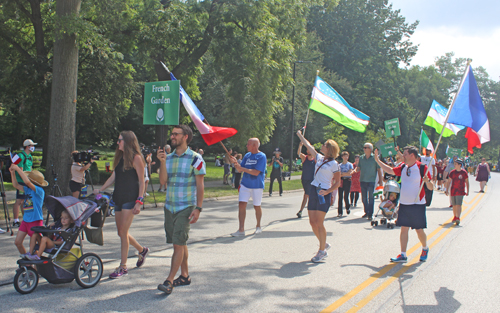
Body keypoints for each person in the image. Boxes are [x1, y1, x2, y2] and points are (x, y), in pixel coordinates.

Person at [156, 125, 205, 295]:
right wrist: (162, 163)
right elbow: (163, 181)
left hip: (186, 207)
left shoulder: (196, 158)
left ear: (185, 137)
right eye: (172, 134)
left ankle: (169, 280)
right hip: (170, 206)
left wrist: (198, 208)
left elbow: (200, 185)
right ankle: (184, 275)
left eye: (175, 134)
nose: (172, 137)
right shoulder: (168, 158)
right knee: (180, 242)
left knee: (178, 243)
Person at [94, 131, 149, 279]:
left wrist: (139, 201)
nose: (117, 143)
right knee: (120, 232)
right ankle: (141, 250)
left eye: (119, 140)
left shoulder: (137, 158)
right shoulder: (120, 158)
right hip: (118, 197)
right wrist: (101, 189)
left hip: (131, 199)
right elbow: (114, 176)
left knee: (123, 232)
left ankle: (123, 266)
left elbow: (142, 181)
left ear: (128, 141)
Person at [373, 146, 433, 263]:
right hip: (404, 204)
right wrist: (377, 160)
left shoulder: (422, 167)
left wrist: (427, 181)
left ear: (412, 155)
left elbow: (431, 187)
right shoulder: (403, 167)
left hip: (417, 204)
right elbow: (390, 170)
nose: (402, 156)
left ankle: (425, 248)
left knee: (419, 230)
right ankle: (403, 254)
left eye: (405, 154)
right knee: (403, 229)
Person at [296, 130, 340, 263]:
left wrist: (328, 192)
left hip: (323, 192)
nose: (322, 145)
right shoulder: (319, 158)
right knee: (311, 222)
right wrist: (300, 135)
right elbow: (308, 145)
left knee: (319, 223)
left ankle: (322, 251)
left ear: (329, 149)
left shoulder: (334, 164)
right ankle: (323, 242)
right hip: (314, 189)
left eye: (325, 144)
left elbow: (337, 182)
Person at [230, 138, 266, 237]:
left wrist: (242, 168)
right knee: (241, 205)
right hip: (245, 185)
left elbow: (256, 172)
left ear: (254, 145)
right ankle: (241, 229)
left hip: (257, 186)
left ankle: (258, 226)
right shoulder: (247, 155)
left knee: (256, 206)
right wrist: (235, 163)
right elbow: (240, 169)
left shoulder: (261, 156)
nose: (247, 146)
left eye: (248, 144)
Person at [10, 164, 47, 255]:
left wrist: (18, 169)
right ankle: (27, 261)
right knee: (17, 242)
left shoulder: (39, 190)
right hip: (26, 220)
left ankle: (35, 265)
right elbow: (16, 185)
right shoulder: (28, 189)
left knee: (34, 245)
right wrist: (12, 173)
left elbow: (27, 183)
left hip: (35, 220)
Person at [12, 139, 36, 227]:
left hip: (27, 181)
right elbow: (19, 170)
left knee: (25, 200)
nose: (33, 147)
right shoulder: (20, 156)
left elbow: (30, 168)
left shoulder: (30, 157)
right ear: (27, 146)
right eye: (32, 145)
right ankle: (15, 220)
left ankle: (25, 219)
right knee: (19, 201)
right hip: (21, 182)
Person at [355, 143, 383, 220]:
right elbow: (358, 168)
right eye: (364, 147)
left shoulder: (375, 158)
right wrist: (353, 171)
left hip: (371, 180)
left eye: (365, 148)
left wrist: (380, 180)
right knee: (364, 198)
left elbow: (378, 170)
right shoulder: (361, 158)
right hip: (362, 180)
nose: (364, 149)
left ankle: (370, 214)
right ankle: (366, 211)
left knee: (371, 197)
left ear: (370, 149)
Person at [445, 159, 469, 225]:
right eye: (454, 164)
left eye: (456, 164)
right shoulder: (452, 172)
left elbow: (467, 181)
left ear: (460, 165)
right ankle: (455, 216)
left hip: (460, 191)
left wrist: (468, 191)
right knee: (454, 205)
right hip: (453, 190)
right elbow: (449, 181)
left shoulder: (464, 172)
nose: (454, 165)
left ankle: (458, 217)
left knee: (459, 204)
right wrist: (446, 190)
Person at [296, 142, 315, 218]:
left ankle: (302, 211)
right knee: (307, 195)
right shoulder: (305, 158)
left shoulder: (315, 159)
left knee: (307, 195)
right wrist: (300, 145)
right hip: (305, 179)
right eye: (308, 149)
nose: (309, 151)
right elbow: (298, 153)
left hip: (312, 180)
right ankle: (309, 210)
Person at [337, 151, 353, 217]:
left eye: (347, 156)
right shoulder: (339, 165)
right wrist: (343, 174)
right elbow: (338, 174)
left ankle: (347, 207)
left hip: (347, 180)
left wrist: (343, 174)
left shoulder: (350, 164)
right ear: (342, 157)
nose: (346, 157)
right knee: (340, 196)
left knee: (346, 195)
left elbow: (350, 173)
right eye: (345, 156)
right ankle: (340, 212)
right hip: (341, 181)